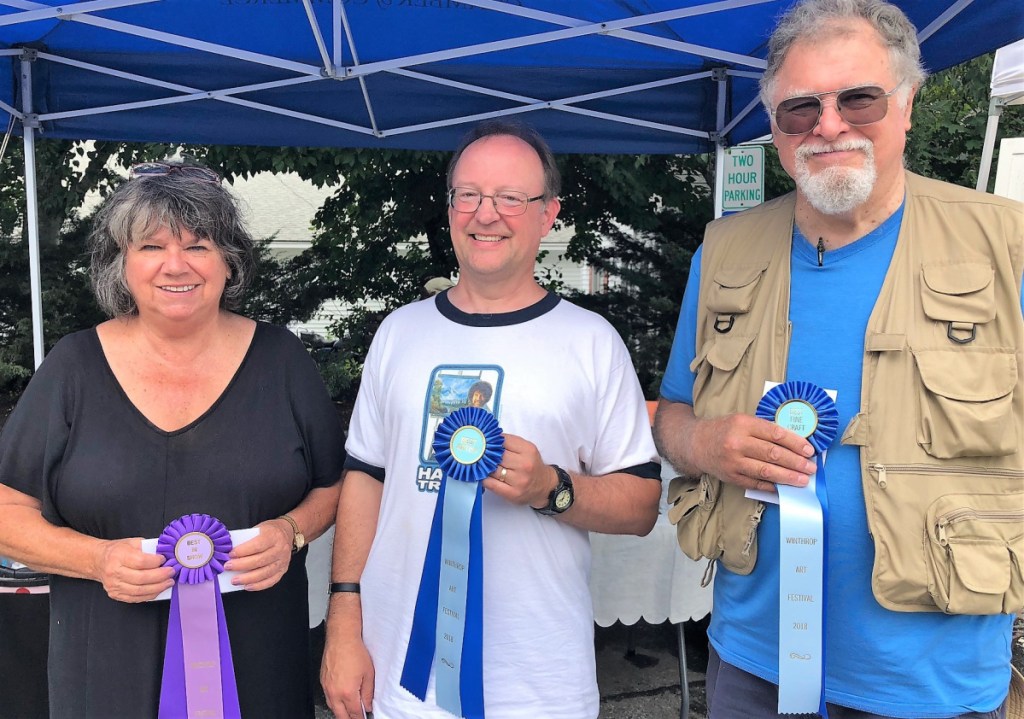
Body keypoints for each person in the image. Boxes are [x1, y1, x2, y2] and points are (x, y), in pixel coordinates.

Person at [655, 1, 1024, 717]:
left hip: (931, 684)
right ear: (775, 129)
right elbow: (671, 412)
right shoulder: (722, 251)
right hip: (751, 667)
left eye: (859, 98)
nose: (828, 125)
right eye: (800, 109)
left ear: (907, 104)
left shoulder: (1005, 245)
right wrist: (704, 440)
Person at [320, 120, 662, 719]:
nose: (486, 214)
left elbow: (640, 506)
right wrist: (344, 620)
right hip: (401, 676)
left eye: (511, 197)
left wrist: (552, 489)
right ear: (451, 207)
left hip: (539, 685)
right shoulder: (399, 332)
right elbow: (364, 481)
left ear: (549, 213)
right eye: (470, 195)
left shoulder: (591, 342)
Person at [0, 161, 346, 718]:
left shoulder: (284, 361)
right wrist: (95, 560)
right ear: (122, 264)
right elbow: (6, 510)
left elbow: (334, 488)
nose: (176, 265)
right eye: (152, 246)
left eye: (198, 245)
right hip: (104, 672)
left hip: (260, 667)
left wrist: (291, 532)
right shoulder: (73, 367)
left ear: (229, 262)